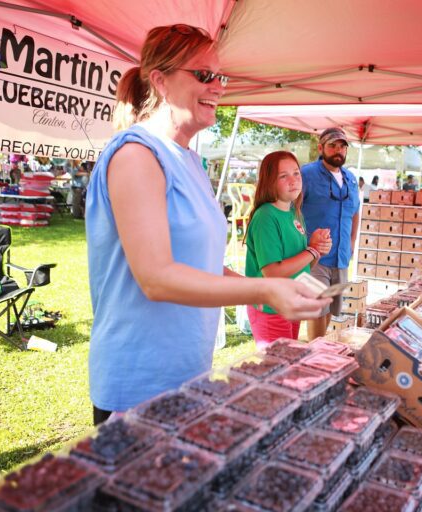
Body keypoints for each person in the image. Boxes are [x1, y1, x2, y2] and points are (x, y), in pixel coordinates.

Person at [85, 24, 329, 425]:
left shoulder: (189, 160)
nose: (218, 87)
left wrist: (275, 289)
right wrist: (263, 287)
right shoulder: (136, 155)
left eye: (221, 77)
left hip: (187, 371)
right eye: (204, 75)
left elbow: (200, 263)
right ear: (160, 81)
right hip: (140, 381)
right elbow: (156, 278)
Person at [245, 151, 332, 348]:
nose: (293, 181)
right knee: (277, 367)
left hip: (291, 302)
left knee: (288, 363)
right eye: (283, 176)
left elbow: (304, 267)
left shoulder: (295, 212)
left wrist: (317, 249)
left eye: (296, 174)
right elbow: (273, 272)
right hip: (271, 307)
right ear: (269, 181)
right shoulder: (266, 216)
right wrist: (312, 250)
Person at [301, 127, 361, 340]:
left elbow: (355, 211)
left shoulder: (351, 178)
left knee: (331, 309)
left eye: (342, 147)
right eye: (332, 146)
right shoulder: (306, 174)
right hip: (315, 256)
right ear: (320, 148)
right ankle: (315, 355)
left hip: (341, 256)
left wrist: (352, 241)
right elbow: (292, 209)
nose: (338, 151)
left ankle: (318, 348)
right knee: (318, 308)